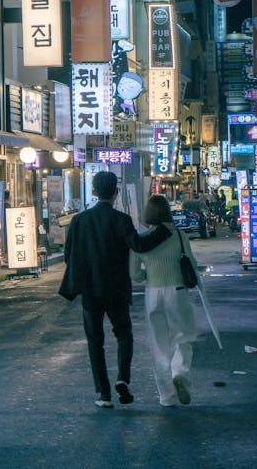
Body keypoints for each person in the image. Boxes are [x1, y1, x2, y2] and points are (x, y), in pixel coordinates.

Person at [59, 171, 172, 409]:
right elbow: (139, 245)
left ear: (93, 191)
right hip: (117, 288)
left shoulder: (79, 220)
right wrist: (163, 230)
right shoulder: (121, 220)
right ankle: (122, 377)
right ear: (116, 192)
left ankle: (103, 394)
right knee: (123, 334)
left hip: (90, 290)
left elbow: (69, 255)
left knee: (95, 341)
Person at [130, 194, 199, 407]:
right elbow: (192, 264)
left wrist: (148, 276)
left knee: (159, 346)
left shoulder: (139, 241)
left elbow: (134, 274)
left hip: (153, 294)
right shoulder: (179, 236)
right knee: (183, 337)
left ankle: (167, 397)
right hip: (177, 291)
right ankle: (179, 374)